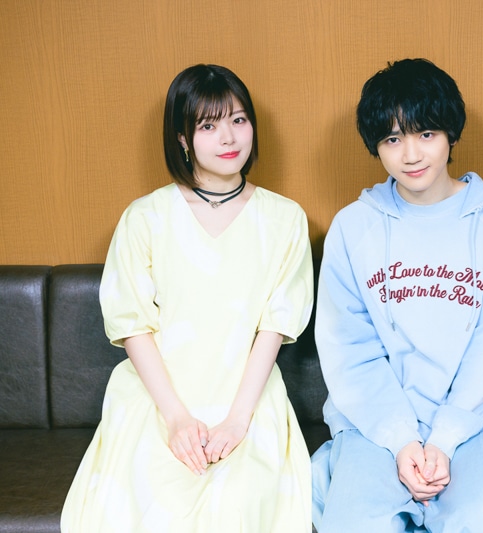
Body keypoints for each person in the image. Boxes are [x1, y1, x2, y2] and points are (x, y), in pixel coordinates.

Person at [61, 64, 314, 532]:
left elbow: (275, 326)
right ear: (181, 137)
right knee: (151, 506)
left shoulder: (285, 219)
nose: (228, 137)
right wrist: (176, 419)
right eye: (208, 125)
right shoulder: (144, 218)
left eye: (238, 119)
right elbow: (132, 324)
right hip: (158, 397)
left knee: (237, 506)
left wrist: (238, 420)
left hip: (248, 396)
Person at [310, 58, 483, 533]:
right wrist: (401, 438)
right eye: (392, 139)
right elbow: (350, 349)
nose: (410, 155)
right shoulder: (353, 227)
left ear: (450, 133)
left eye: (425, 134)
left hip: (479, 420)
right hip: (377, 424)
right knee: (358, 524)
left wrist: (445, 437)